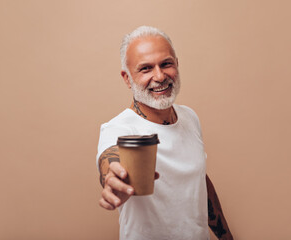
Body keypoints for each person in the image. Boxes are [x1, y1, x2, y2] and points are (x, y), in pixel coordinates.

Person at [96, 26, 234, 240]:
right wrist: (112, 180)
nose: (159, 76)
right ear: (127, 78)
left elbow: (198, 180)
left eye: (166, 64)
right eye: (146, 69)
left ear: (177, 64)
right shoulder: (119, 128)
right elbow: (109, 160)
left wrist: (226, 237)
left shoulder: (190, 117)